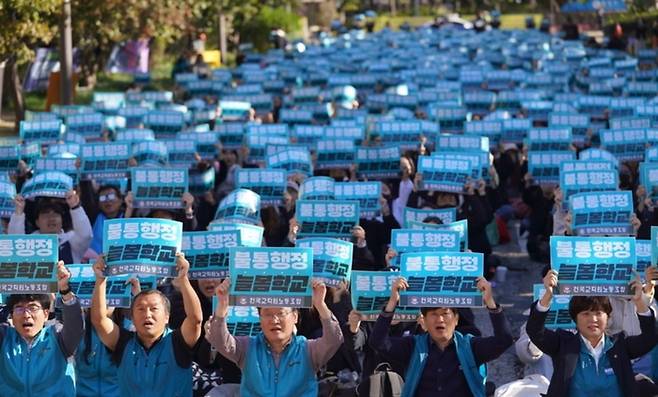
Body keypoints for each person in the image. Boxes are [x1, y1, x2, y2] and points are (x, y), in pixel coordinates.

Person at [370, 276, 513, 396]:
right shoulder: (413, 346)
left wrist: (490, 302)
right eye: (433, 314)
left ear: (456, 319)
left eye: (445, 313)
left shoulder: (470, 347)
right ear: (424, 320)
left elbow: (504, 340)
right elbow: (378, 342)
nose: (440, 320)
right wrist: (392, 302)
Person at [527, 269, 657, 397]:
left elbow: (650, 337)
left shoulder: (619, 345)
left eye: (598, 313)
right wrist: (548, 295)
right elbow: (535, 331)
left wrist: (640, 301)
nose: (593, 319)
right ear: (575, 319)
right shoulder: (563, 344)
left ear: (608, 317)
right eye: (586, 314)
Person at [205, 278, 344, 397]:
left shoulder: (308, 349)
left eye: (281, 313)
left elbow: (333, 340)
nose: (274, 320)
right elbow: (219, 340)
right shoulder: (248, 347)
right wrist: (222, 305)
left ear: (295, 317)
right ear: (259, 318)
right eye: (267, 314)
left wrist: (320, 304)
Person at [90, 253, 203, 397]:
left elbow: (195, 320)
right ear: (132, 316)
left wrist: (183, 279)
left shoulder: (177, 342)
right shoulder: (123, 343)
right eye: (141, 309)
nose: (147, 314)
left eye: (154, 308)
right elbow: (99, 320)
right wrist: (100, 279)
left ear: (167, 316)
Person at [0, 261, 84, 396]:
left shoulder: (57, 337)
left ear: (46, 314)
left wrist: (64, 289)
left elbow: (75, 325)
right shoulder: (4, 337)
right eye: (19, 308)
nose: (26, 315)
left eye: (33, 308)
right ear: (11, 315)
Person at [9, 190, 93, 264]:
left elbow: (85, 235)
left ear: (62, 220)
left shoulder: (70, 240)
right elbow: (15, 242)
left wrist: (75, 207)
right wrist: (18, 212)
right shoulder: (29, 243)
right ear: (37, 222)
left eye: (56, 214)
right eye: (45, 215)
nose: (51, 218)